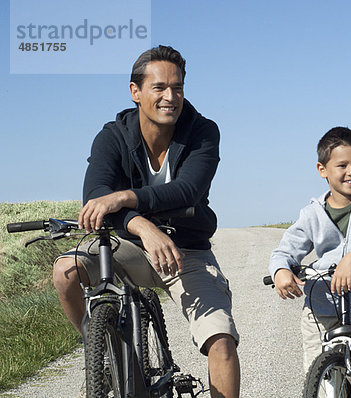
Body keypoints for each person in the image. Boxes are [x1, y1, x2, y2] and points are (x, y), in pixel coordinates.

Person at [52, 45, 240, 398]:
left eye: (178, 88)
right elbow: (95, 196)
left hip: (186, 250)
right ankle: (100, 351)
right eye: (160, 88)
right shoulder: (113, 136)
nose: (171, 97)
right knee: (66, 271)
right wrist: (141, 225)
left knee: (222, 342)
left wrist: (125, 197)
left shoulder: (202, 132)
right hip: (127, 246)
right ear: (135, 92)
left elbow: (188, 190)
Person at [268, 127, 351, 397]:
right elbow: (285, 251)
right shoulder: (311, 214)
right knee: (320, 383)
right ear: (322, 169)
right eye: (342, 165)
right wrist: (281, 270)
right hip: (321, 310)